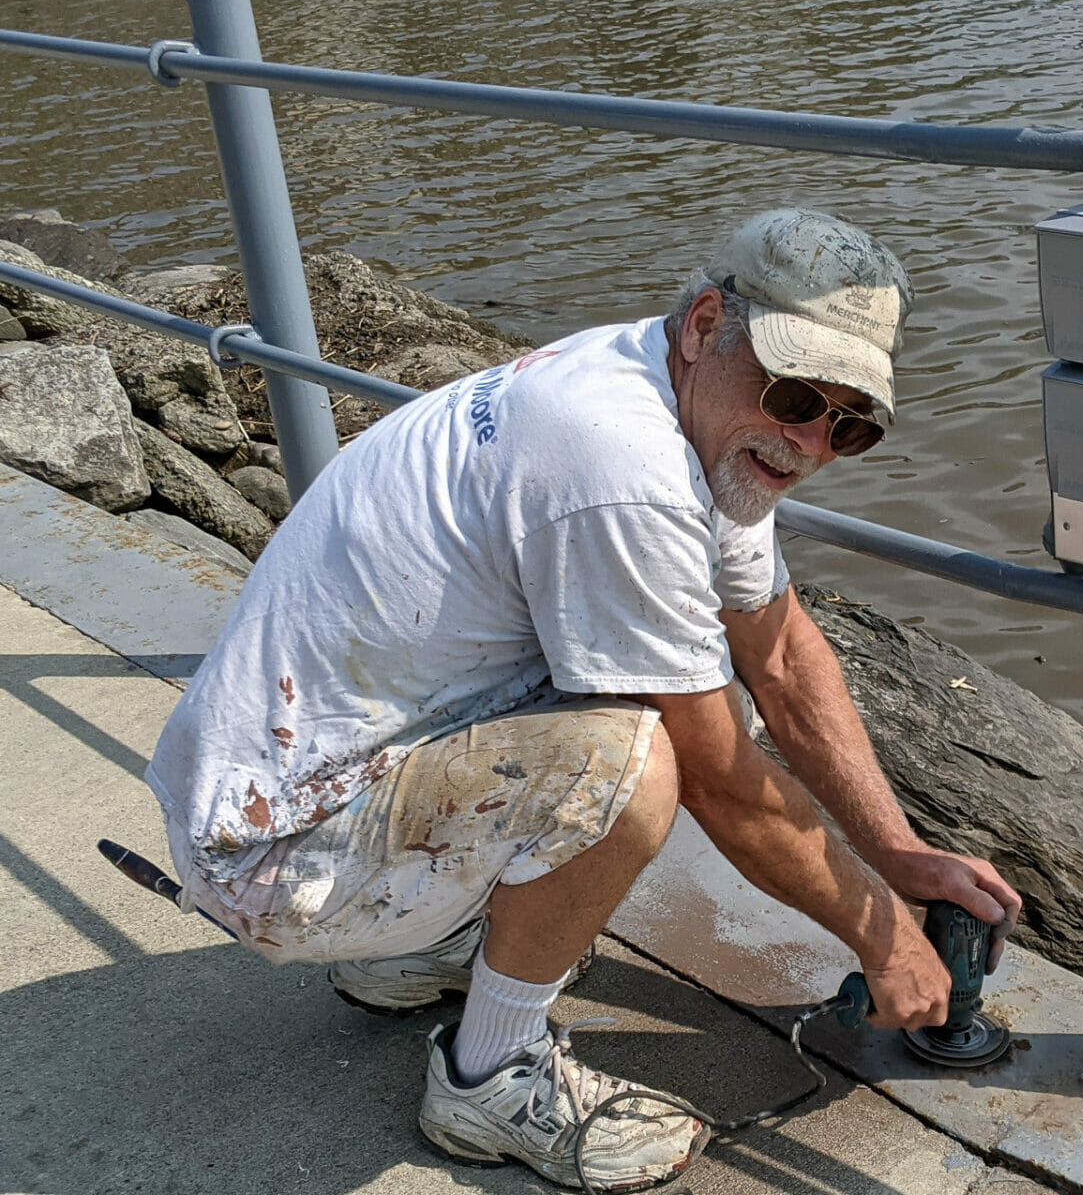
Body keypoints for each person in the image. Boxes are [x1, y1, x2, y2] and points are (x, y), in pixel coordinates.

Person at [143, 209, 1022, 1192]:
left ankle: (426, 942)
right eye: (795, 393)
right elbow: (720, 782)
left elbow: (779, 654)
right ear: (705, 325)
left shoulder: (693, 415)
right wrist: (884, 933)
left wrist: (897, 852)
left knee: (639, 708)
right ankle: (487, 1077)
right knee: (637, 763)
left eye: (848, 424)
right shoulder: (620, 463)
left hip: (318, 775)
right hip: (278, 852)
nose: (809, 441)